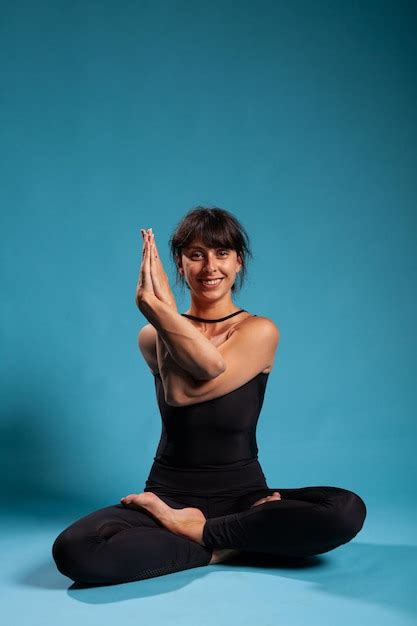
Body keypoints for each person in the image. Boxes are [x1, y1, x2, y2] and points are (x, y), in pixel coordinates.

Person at [52, 206, 367, 586]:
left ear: (238, 262)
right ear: (180, 267)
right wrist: (163, 317)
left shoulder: (259, 331)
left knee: (344, 510)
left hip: (244, 499)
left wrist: (159, 309)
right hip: (166, 497)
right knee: (76, 549)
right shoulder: (151, 336)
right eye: (196, 254)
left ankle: (204, 536)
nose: (210, 267)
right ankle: (227, 544)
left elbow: (187, 390)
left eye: (221, 253)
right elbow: (180, 388)